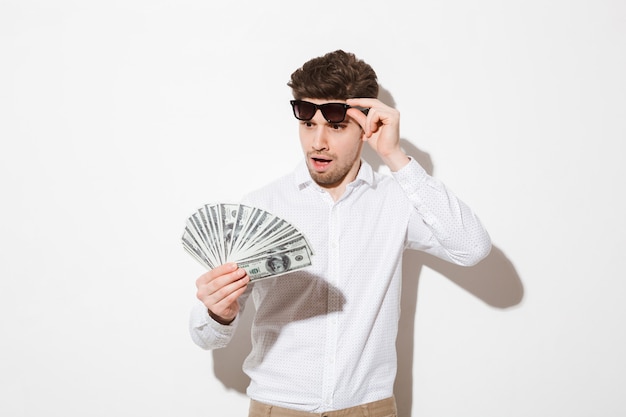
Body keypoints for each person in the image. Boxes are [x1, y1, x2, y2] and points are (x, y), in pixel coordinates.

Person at [189, 49, 492, 417]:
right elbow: (206, 336)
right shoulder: (262, 205)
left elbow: (471, 247)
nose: (318, 142)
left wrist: (396, 156)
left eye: (336, 126)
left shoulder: (396, 201)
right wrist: (218, 312)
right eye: (308, 124)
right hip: (279, 408)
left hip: (369, 408)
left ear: (366, 128)